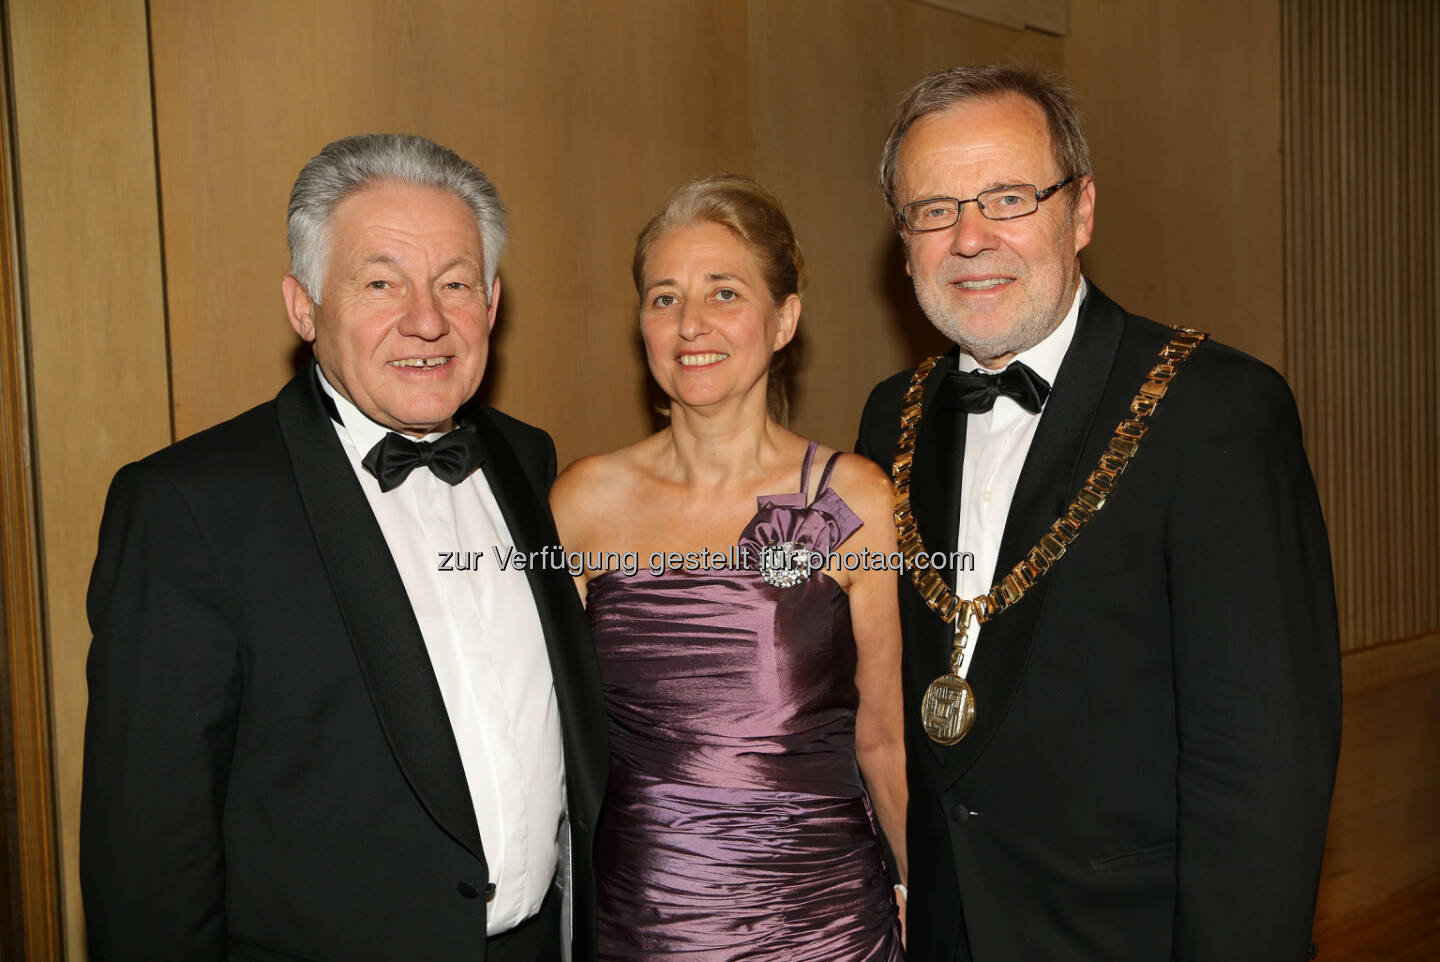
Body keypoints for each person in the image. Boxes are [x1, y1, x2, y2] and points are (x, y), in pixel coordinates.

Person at [856, 65, 1342, 961]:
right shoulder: (893, 414)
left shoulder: (1216, 410)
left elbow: (1263, 768)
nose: (969, 239)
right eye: (933, 209)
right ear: (904, 240)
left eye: (1007, 198)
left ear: (1080, 212)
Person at [82, 134, 607, 961]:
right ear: (304, 306)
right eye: (380, 282)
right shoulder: (190, 507)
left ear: (494, 303)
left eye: (455, 283)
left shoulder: (527, 459)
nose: (427, 319)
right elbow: (147, 855)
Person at [550, 175, 907, 961]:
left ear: (784, 320)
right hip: (643, 925)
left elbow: (883, 738)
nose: (690, 325)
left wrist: (924, 896)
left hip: (824, 925)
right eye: (664, 298)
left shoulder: (853, 499)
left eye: (724, 293)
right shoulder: (581, 502)